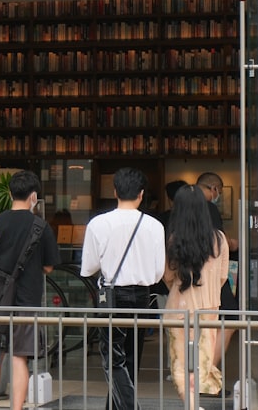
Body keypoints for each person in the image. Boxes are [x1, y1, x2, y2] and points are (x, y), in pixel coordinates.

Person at [80, 167, 166, 410]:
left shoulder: (99, 224)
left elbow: (88, 267)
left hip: (112, 296)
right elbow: (158, 271)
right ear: (141, 194)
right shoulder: (154, 226)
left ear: (114, 191)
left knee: (114, 359)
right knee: (131, 357)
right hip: (142, 296)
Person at [0, 170, 61, 410]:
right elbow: (49, 267)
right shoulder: (41, 227)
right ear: (33, 196)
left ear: (10, 193)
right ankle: (16, 408)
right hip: (28, 299)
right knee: (19, 356)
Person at [163, 184, 231, 408]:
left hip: (179, 310)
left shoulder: (175, 240)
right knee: (201, 364)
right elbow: (223, 278)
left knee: (180, 366)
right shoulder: (220, 239)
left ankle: (192, 407)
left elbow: (168, 276)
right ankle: (194, 406)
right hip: (209, 310)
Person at [196, 171, 239, 372]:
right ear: (213, 189)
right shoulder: (209, 209)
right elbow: (216, 242)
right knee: (229, 321)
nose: (218, 195)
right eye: (218, 191)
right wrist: (231, 243)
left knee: (195, 326)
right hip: (211, 275)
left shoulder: (181, 208)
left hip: (188, 277)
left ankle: (193, 372)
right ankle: (206, 373)